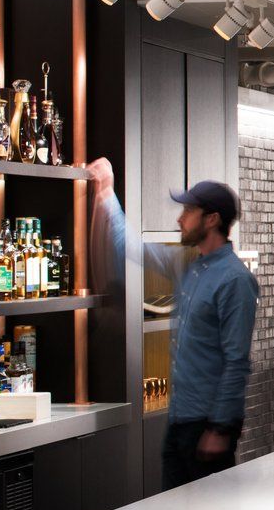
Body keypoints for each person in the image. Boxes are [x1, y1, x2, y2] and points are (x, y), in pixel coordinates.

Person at [86, 158, 259, 490]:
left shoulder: (235, 281)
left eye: (188, 211)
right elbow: (130, 247)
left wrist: (220, 429)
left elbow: (236, 362)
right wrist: (107, 191)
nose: (180, 219)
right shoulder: (188, 264)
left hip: (208, 425)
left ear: (212, 219)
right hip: (180, 419)